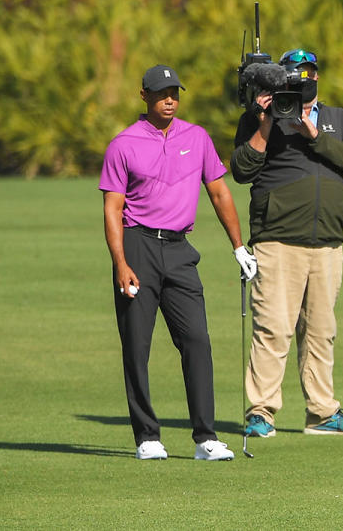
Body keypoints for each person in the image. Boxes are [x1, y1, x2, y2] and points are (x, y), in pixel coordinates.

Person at [100, 64, 258, 461]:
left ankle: (206, 437)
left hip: (180, 250)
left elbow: (220, 193)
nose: (169, 100)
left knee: (197, 341)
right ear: (144, 97)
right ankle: (147, 437)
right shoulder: (124, 144)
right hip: (137, 247)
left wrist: (239, 247)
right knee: (137, 345)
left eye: (174, 93)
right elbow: (112, 208)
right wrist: (120, 261)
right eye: (161, 93)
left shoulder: (197, 137)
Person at [231, 49, 343, 438]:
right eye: (294, 73)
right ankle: (261, 412)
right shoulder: (260, 117)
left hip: (327, 241)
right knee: (273, 329)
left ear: (317, 78)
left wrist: (314, 137)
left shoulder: (337, 118)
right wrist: (265, 122)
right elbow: (241, 170)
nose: (302, 79)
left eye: (309, 71)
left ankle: (322, 413)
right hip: (277, 240)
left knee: (321, 331)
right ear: (281, 79)